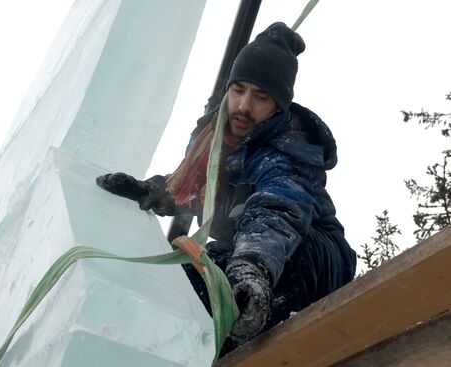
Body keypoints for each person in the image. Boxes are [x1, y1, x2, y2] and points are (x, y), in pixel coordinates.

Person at [96, 22, 356, 351]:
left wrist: (252, 267)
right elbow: (196, 192)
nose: (244, 106)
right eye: (239, 90)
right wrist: (156, 191)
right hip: (243, 250)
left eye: (261, 96)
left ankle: (246, 342)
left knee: (269, 269)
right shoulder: (214, 141)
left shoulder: (289, 146)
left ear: (278, 105)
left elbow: (277, 210)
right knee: (189, 279)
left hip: (311, 256)